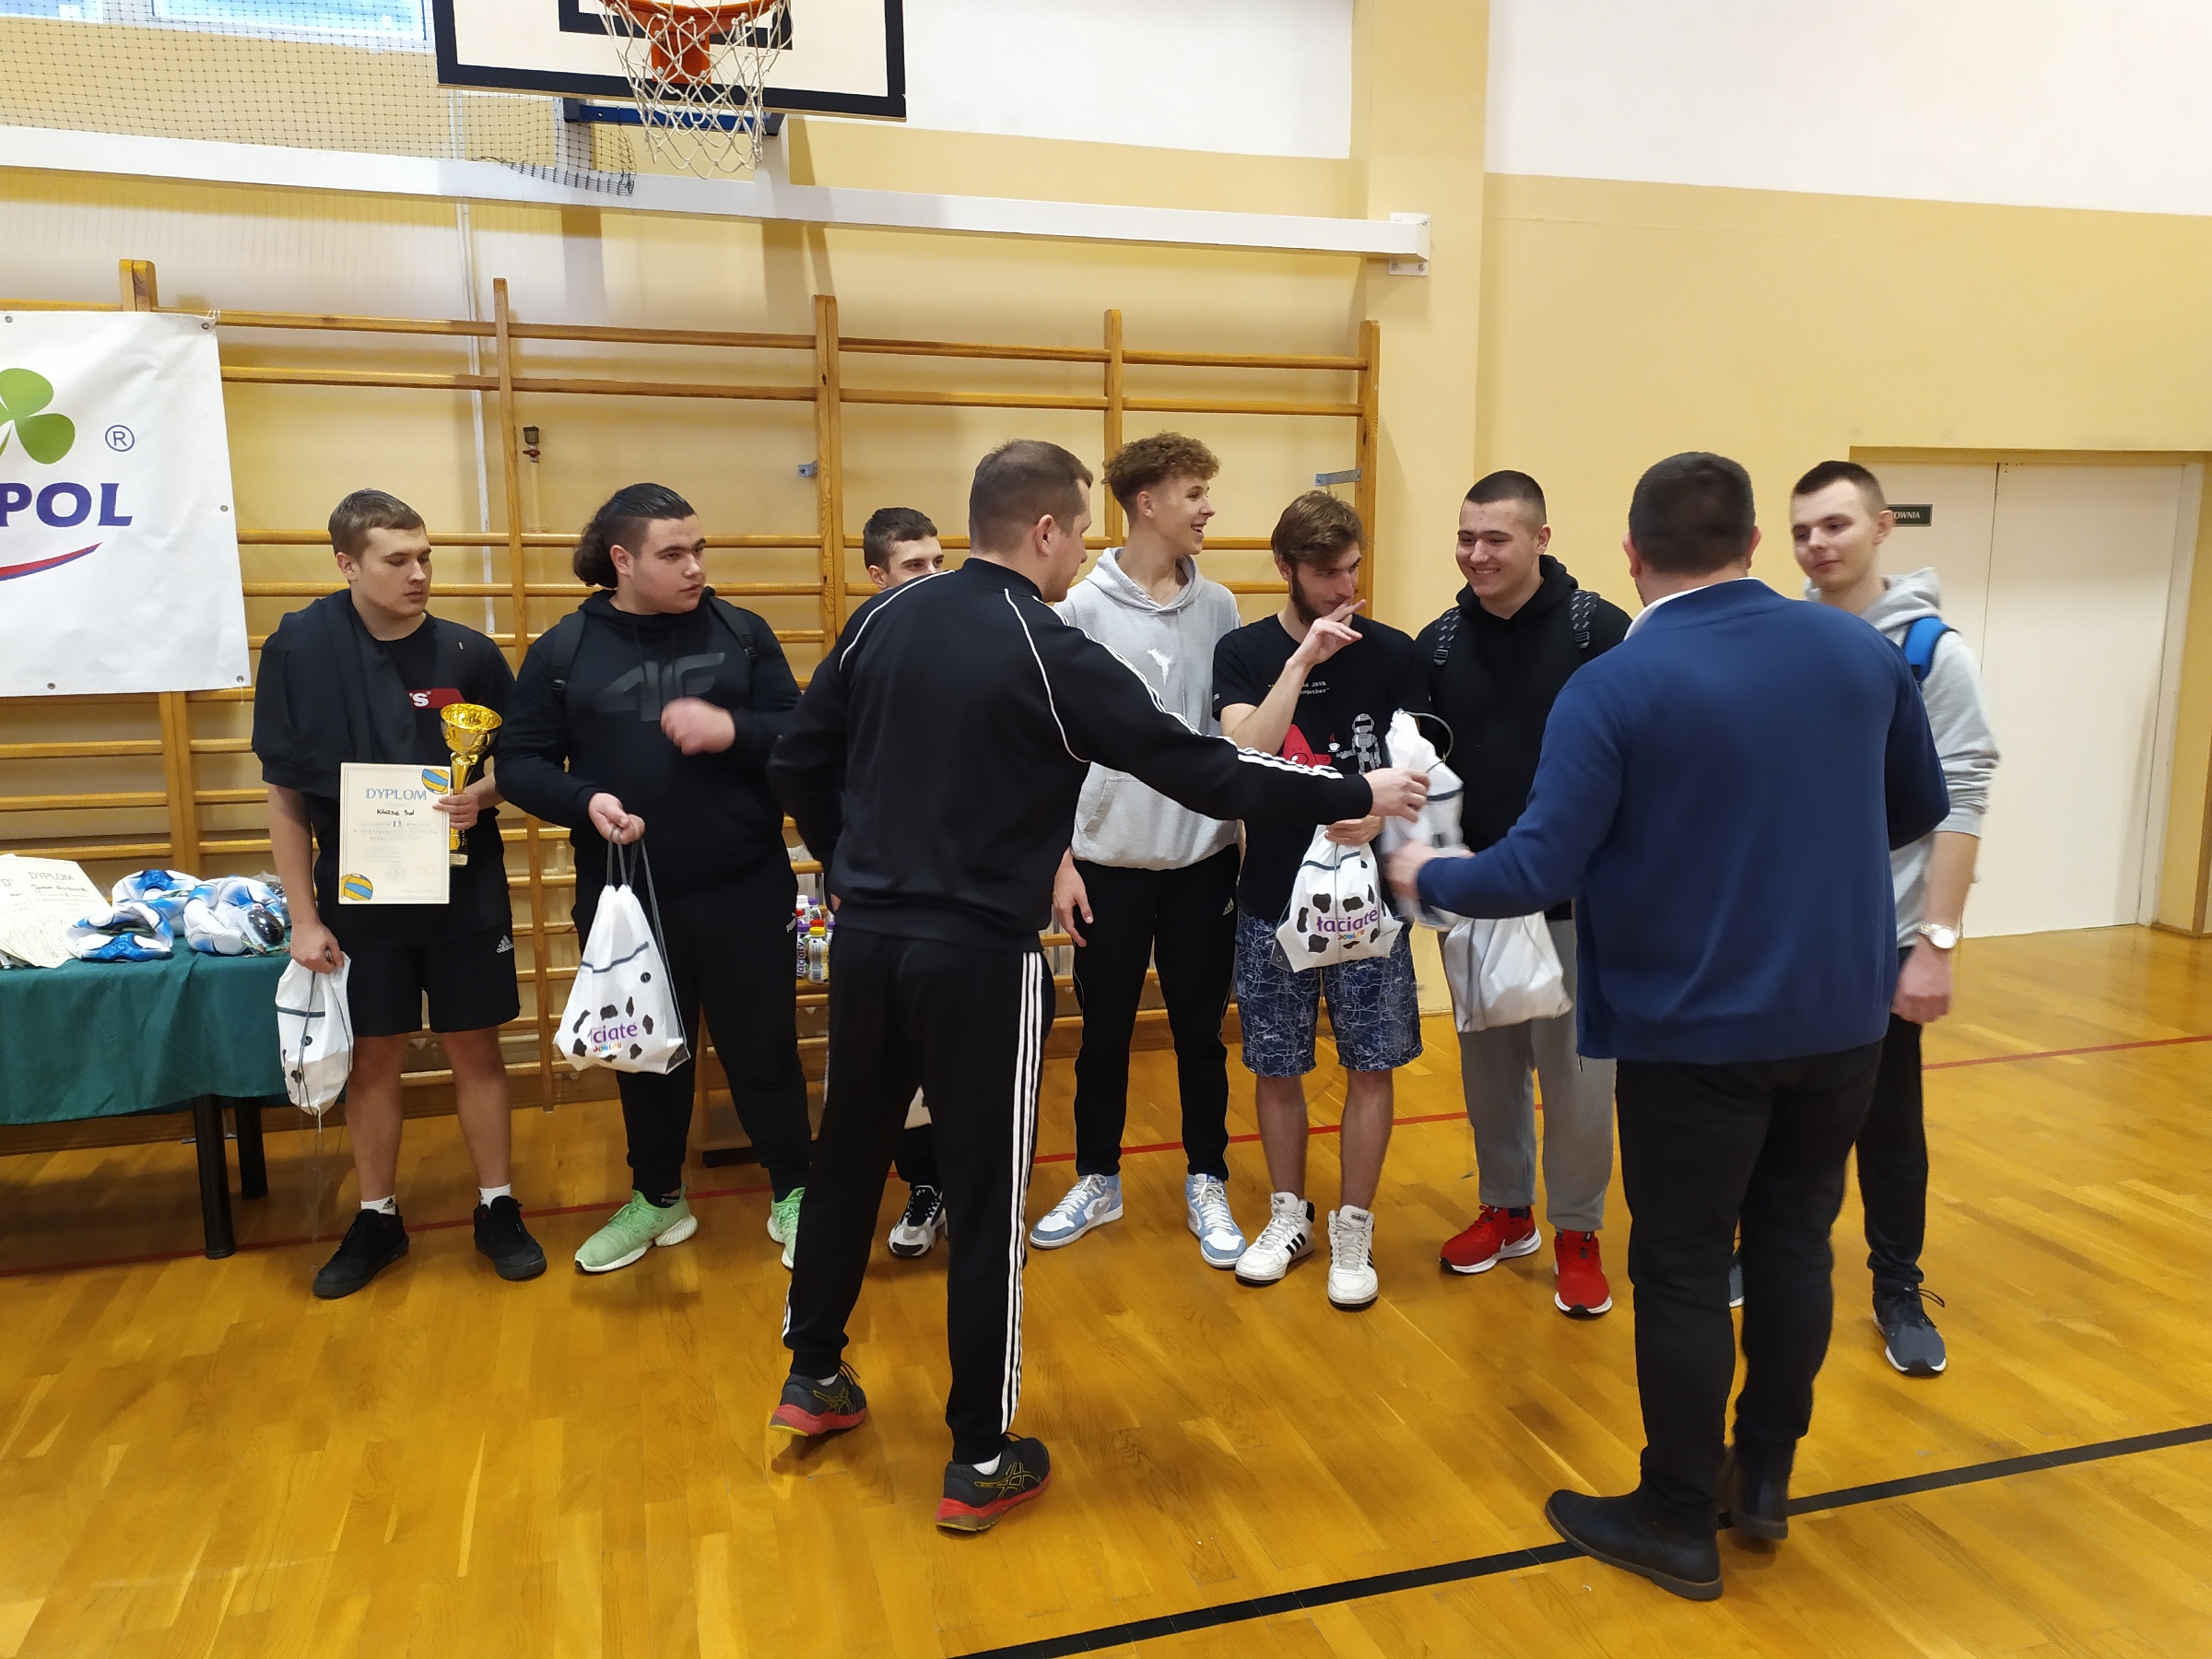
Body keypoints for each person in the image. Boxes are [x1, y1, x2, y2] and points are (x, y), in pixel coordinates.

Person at [766, 441, 1429, 1532]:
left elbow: (796, 759)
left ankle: (814, 1375)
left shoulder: (885, 616)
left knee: (848, 1158)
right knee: (990, 1199)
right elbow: (1201, 766)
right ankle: (981, 1454)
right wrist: (1353, 788)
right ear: (1044, 532)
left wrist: (848, 864)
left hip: (869, 943)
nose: (1081, 550)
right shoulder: (1044, 642)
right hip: (980, 958)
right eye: (1076, 530)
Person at [1389, 453, 1947, 1603]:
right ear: (1755, 544)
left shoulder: (1618, 683)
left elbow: (1539, 867)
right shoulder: (1860, 653)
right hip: (1843, 1022)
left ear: (1633, 555)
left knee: (1684, 1267)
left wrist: (1423, 875)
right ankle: (1764, 1482)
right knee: (1795, 1246)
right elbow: (1913, 810)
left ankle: (1678, 1512)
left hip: (1694, 1035)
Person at [499, 483, 813, 1275]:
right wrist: (584, 800)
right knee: (643, 1053)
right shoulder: (566, 649)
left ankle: (795, 1192)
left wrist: (731, 728)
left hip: (745, 884)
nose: (694, 566)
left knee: (764, 1049)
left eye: (698, 549)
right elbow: (519, 762)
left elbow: (800, 734)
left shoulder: (742, 633)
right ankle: (659, 1199)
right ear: (622, 560)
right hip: (626, 898)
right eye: (673, 554)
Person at [253, 488, 546, 1298]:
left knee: (474, 1045)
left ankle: (497, 1206)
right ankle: (377, 1218)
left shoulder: (469, 653)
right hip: (357, 894)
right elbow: (284, 793)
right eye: (397, 560)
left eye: (425, 558)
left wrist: (482, 795)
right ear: (347, 564)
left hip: (463, 888)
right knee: (375, 1054)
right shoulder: (299, 648)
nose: (418, 574)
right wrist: (302, 919)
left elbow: (520, 759)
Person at [1792, 459, 1999, 1380]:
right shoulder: (1789, 639)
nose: (1817, 544)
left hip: (1881, 939)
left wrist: (1935, 945)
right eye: (1802, 531)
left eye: (1835, 524)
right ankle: (1766, 1252)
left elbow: (1966, 795)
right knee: (1776, 1116)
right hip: (1790, 933)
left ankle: (1898, 1287)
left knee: (1886, 1123)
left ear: (1881, 528)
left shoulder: (1931, 654)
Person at [1032, 432, 1249, 1268]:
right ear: (1147, 503)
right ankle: (1098, 1177)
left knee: (1201, 1034)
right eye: (1195, 493)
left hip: (1202, 863)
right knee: (1104, 1036)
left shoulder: (1220, 606)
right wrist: (1060, 860)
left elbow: (1229, 738)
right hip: (1107, 867)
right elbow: (1048, 751)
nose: (1208, 509)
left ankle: (1207, 1176)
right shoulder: (1079, 611)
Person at [1418, 470, 1630, 1317]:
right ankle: (1507, 1212)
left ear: (1541, 539)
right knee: (1489, 1074)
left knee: (1578, 1083)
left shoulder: (1600, 632)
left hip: (1580, 905)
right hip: (1477, 900)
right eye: (1466, 537)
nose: (1476, 554)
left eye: (1495, 539)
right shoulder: (1438, 645)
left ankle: (1578, 1230)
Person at [1211, 490, 1426, 1312]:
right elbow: (1244, 757)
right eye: (1327, 573)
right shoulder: (1243, 651)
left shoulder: (1395, 652)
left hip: (1370, 903)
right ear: (1286, 569)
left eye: (1352, 570)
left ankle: (1354, 1226)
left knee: (1371, 1063)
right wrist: (1300, 664)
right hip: (1272, 895)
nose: (1345, 588)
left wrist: (1377, 811)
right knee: (1276, 1064)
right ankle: (1287, 1215)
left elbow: (1425, 768)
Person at [860, 505, 950, 1259]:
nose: (931, 577)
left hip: (969, 895)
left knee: (972, 1060)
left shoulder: (972, 644)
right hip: (890, 893)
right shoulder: (861, 652)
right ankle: (924, 1185)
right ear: (877, 577)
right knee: (902, 1058)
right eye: (914, 566)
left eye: (938, 562)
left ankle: (985, 1193)